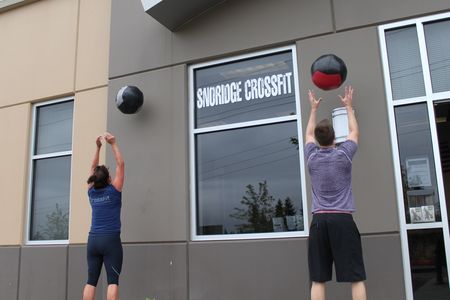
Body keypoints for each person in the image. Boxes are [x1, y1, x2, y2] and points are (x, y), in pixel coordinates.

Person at [304, 86, 367, 300]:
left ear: (318, 140)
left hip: (319, 222)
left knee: (318, 279)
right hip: (342, 220)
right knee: (356, 278)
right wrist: (348, 107)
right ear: (334, 137)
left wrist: (313, 109)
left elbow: (308, 134)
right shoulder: (344, 155)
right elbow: (354, 132)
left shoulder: (311, 157)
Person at [83, 132, 125, 300]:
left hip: (93, 240)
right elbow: (120, 165)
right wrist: (113, 144)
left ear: (94, 179)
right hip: (110, 240)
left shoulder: (91, 191)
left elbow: (92, 169)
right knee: (112, 281)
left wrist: (97, 148)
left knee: (91, 281)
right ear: (109, 178)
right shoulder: (114, 190)